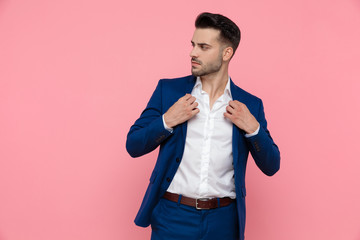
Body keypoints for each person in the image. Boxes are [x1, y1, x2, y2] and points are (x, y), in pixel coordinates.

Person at [126, 12, 280, 240]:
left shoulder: (250, 105)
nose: (193, 53)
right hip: (173, 217)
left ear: (226, 53)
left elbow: (272, 165)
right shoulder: (168, 91)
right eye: (193, 45)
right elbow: (133, 145)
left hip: (224, 222)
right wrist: (168, 120)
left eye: (203, 47)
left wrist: (253, 128)